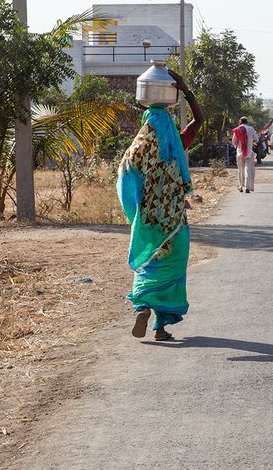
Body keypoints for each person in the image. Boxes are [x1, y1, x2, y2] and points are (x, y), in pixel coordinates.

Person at [117, 69, 204, 342]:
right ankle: (160, 327)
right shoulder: (178, 141)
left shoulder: (141, 145)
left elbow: (124, 173)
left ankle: (142, 306)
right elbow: (200, 119)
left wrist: (135, 209)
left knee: (148, 263)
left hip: (150, 222)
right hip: (175, 223)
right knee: (173, 271)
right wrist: (186, 90)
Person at [231, 116, 258, 193]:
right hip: (249, 153)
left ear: (240, 122)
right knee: (248, 170)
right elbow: (257, 139)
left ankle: (240, 186)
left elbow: (234, 142)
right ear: (247, 122)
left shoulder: (237, 130)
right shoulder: (251, 129)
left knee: (240, 170)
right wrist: (251, 140)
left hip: (240, 153)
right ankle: (247, 187)